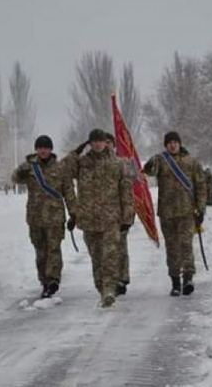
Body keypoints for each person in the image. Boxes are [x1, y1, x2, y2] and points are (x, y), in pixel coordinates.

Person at [64, 129, 134, 308]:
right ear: (90, 143)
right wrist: (76, 152)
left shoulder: (118, 163)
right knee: (97, 258)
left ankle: (109, 290)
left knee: (110, 255)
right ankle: (101, 289)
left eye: (100, 141)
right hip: (89, 219)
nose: (97, 144)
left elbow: (126, 191)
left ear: (106, 142)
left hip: (111, 218)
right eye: (93, 141)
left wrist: (128, 216)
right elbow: (61, 169)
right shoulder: (82, 163)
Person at [12, 135, 77, 298]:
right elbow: (15, 179)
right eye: (40, 148)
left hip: (55, 217)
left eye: (46, 148)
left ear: (51, 149)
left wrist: (74, 214)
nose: (43, 151)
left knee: (53, 249)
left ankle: (53, 280)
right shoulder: (30, 167)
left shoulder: (61, 168)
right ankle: (44, 281)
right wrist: (23, 168)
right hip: (35, 217)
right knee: (40, 251)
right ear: (36, 149)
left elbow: (69, 192)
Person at [143, 131, 207, 297]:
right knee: (172, 248)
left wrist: (201, 209)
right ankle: (175, 282)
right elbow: (149, 171)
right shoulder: (162, 160)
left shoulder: (191, 162)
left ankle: (188, 279)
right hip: (167, 213)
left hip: (187, 212)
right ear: (166, 145)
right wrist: (150, 163)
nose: (173, 145)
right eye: (169, 142)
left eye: (175, 142)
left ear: (180, 143)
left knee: (186, 245)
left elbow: (200, 186)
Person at [104, 132, 135, 296]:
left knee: (120, 247)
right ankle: (110, 279)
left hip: (119, 213)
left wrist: (128, 214)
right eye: (104, 142)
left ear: (114, 145)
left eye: (109, 142)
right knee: (106, 250)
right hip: (102, 215)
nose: (106, 145)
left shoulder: (122, 163)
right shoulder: (96, 164)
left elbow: (128, 191)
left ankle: (122, 279)